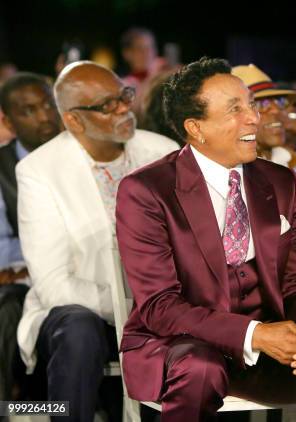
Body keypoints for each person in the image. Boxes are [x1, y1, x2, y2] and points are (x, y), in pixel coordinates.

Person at [115, 56, 296, 421]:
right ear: (195, 127)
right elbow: (160, 307)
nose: (254, 118)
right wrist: (256, 335)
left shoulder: (281, 181)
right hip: (183, 346)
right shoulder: (147, 190)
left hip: (270, 349)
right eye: (234, 109)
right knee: (201, 367)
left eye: (251, 105)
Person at [15, 61, 178, 422]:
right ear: (73, 120)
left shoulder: (163, 151)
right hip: (82, 308)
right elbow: (54, 283)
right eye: (107, 105)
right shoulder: (40, 171)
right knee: (79, 331)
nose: (124, 108)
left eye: (124, 96)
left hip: (161, 305)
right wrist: (129, 307)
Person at [0, 72, 61, 404]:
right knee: (8, 306)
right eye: (29, 110)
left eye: (49, 104)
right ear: (8, 120)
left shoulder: (80, 154)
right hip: (23, 278)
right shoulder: (2, 167)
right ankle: (11, 404)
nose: (44, 116)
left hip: (81, 275)